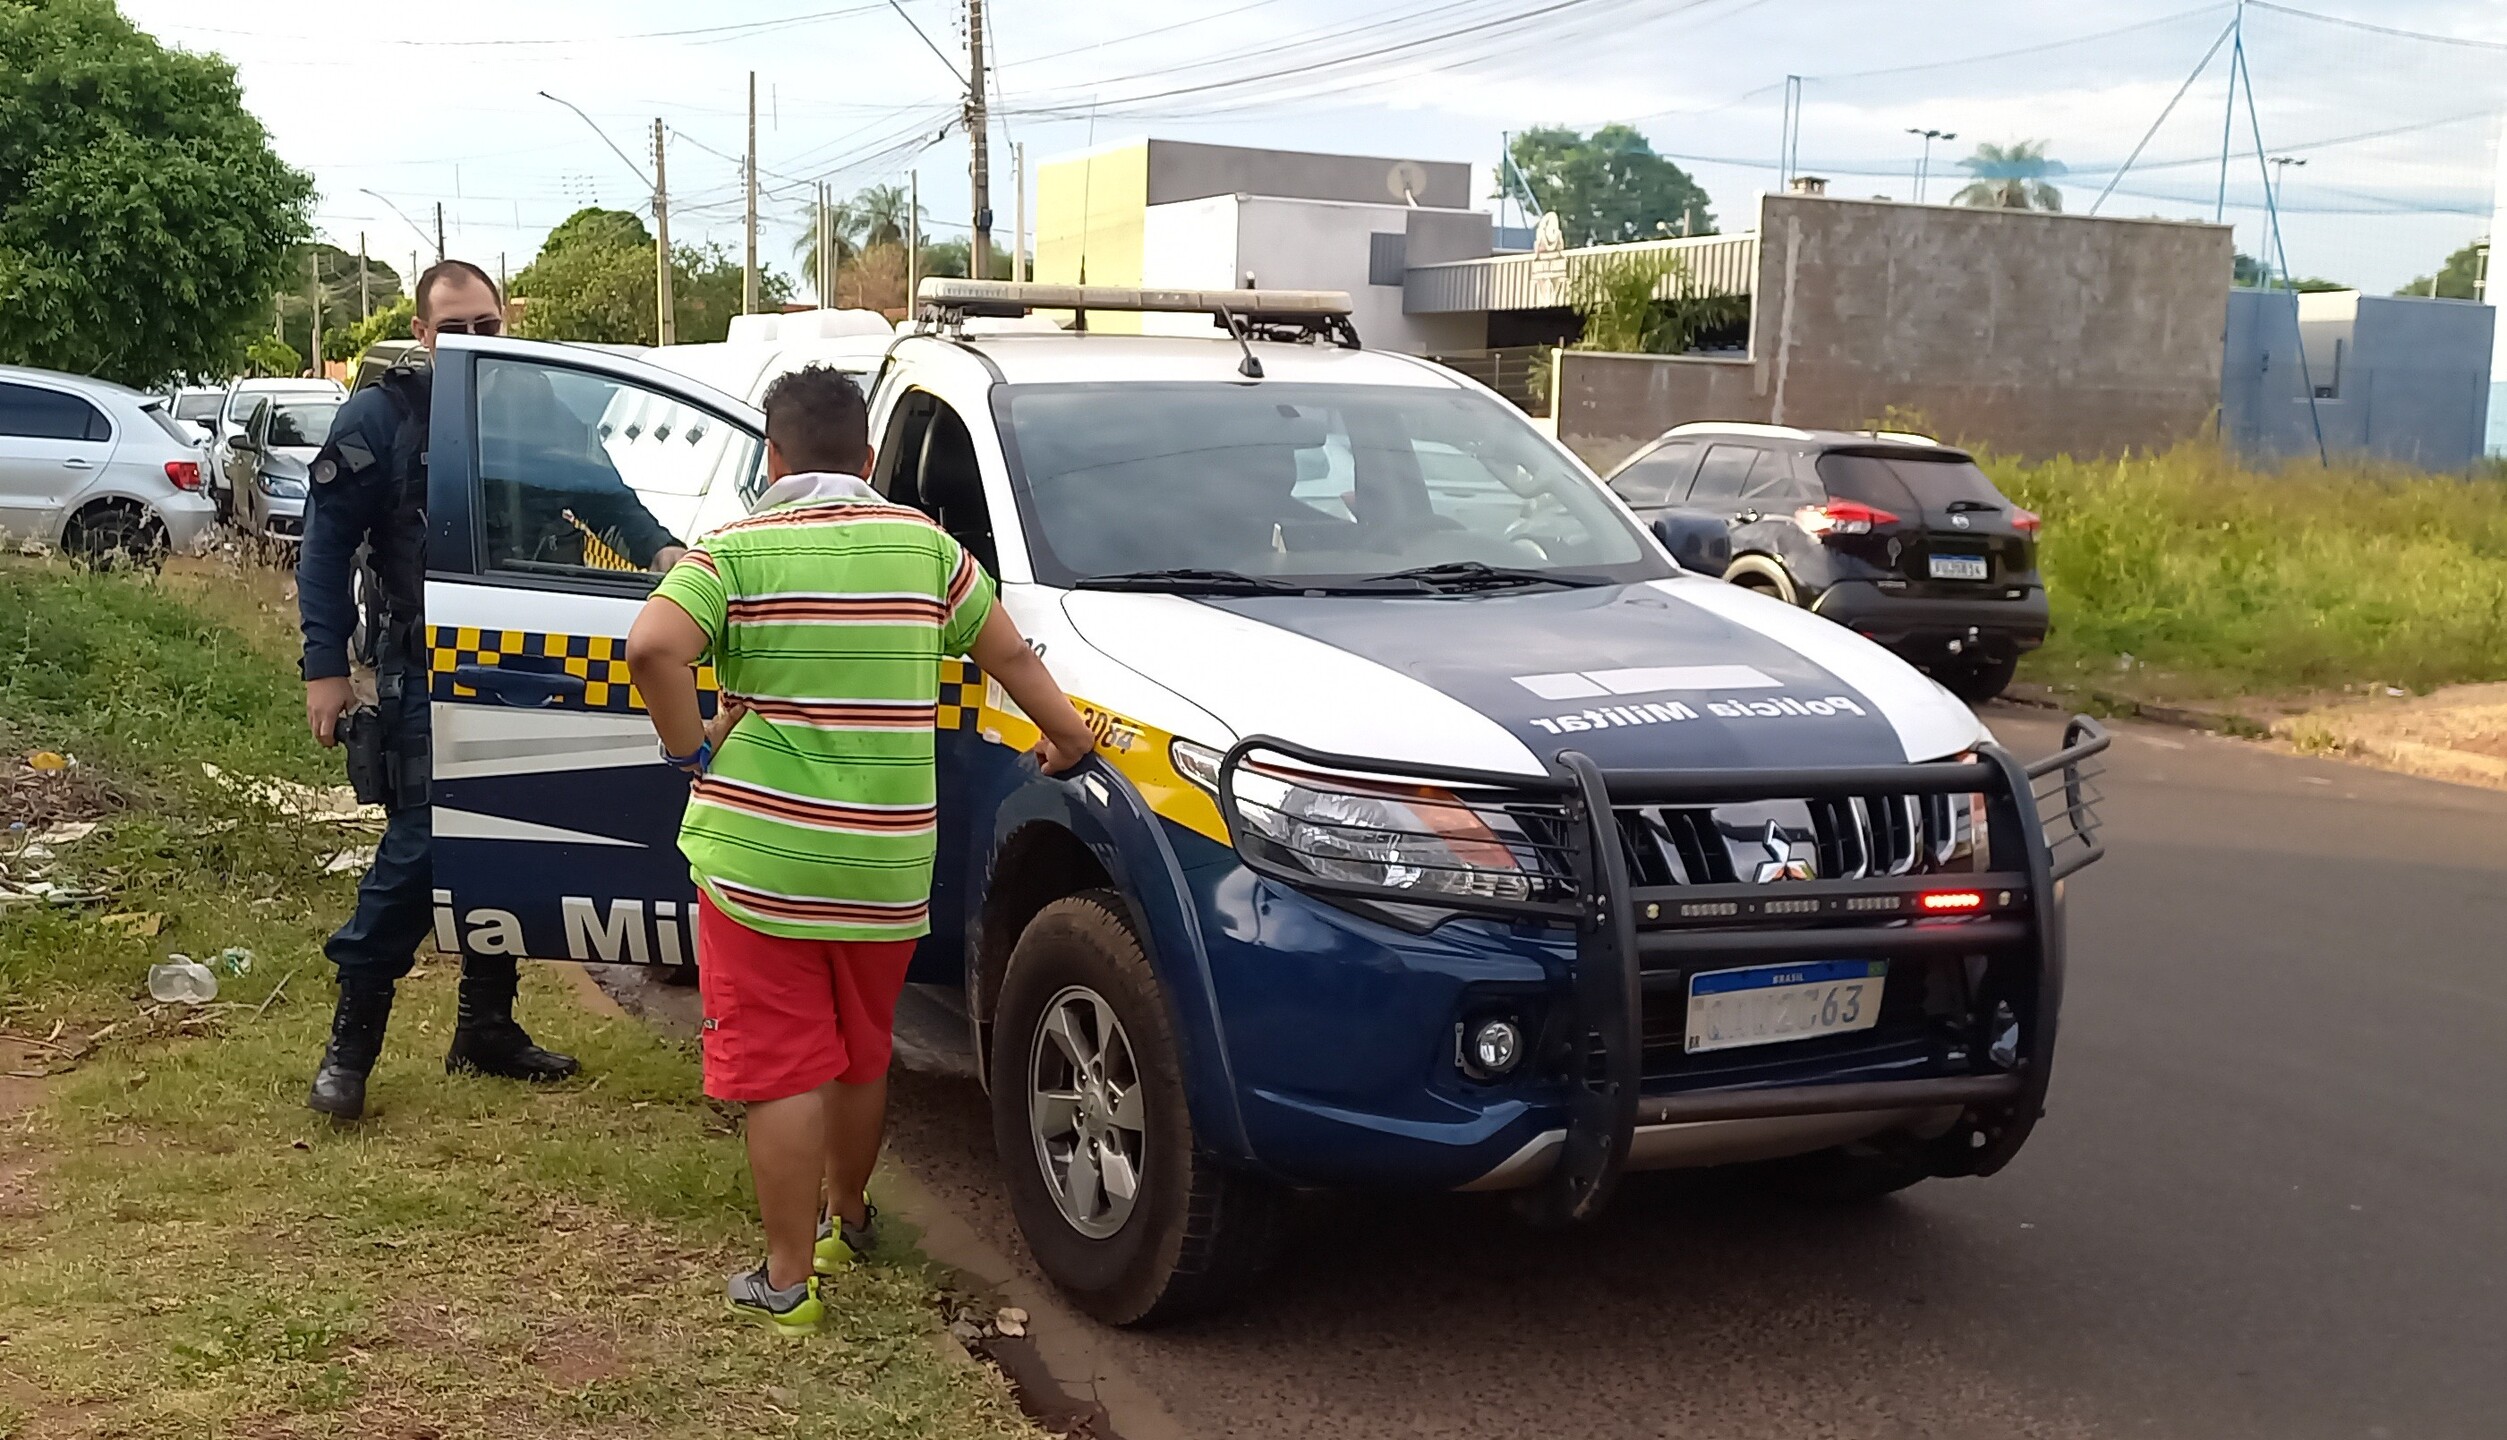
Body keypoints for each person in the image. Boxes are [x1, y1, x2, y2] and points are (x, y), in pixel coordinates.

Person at [624, 364, 1095, 1334]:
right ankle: (846, 1217)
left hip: (760, 867)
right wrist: (1070, 737)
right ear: (869, 459)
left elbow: (649, 647)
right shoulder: (924, 548)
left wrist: (687, 752)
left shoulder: (735, 549)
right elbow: (1008, 655)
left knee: (784, 1068)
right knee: (858, 1052)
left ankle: (788, 1280)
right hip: (883, 864)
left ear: (773, 454)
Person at [297, 260, 680, 1120]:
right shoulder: (384, 414)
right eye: (456, 329)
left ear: (507, 325)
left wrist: (665, 557)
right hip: (428, 664)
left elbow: (610, 504)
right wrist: (324, 669)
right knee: (423, 847)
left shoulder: (536, 408)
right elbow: (324, 546)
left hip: (528, 656)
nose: (474, 342)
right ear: (426, 335)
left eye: (487, 327)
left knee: (510, 834)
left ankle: (486, 1029)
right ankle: (348, 1051)